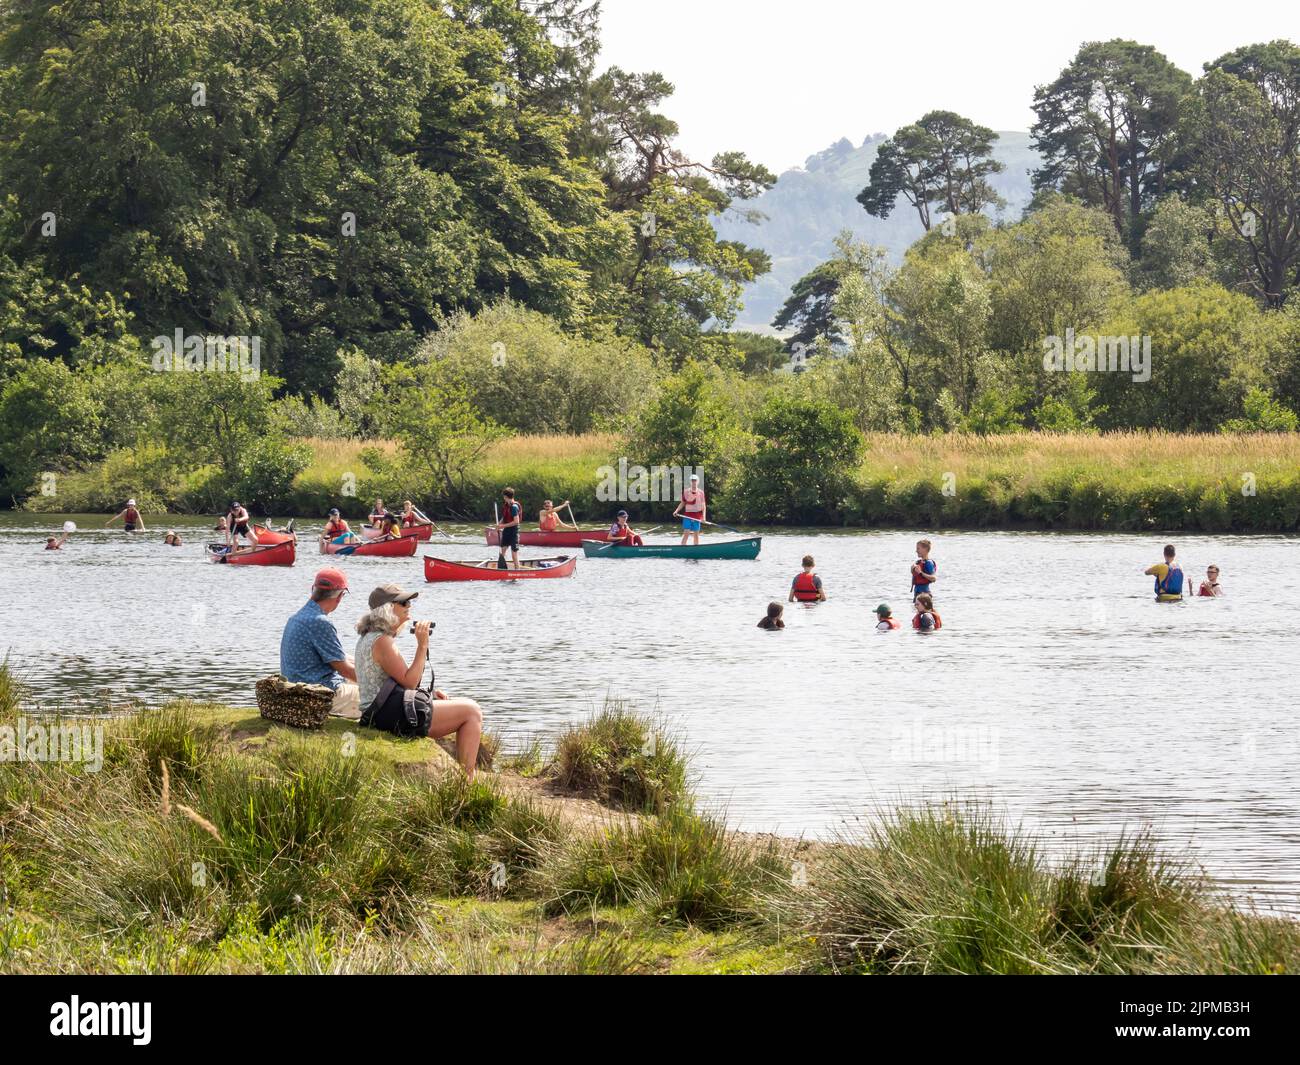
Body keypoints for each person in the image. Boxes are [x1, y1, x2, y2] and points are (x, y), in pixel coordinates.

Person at [354, 584, 484, 779]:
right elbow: (410, 683)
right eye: (404, 602)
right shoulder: (382, 641)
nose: (409, 606)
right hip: (386, 716)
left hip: (378, 713)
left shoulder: (371, 637)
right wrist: (422, 645)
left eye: (410, 601)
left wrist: (429, 695)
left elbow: (396, 683)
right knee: (472, 711)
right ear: (388, 608)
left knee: (450, 703)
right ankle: (466, 783)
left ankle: (464, 778)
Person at [279, 568, 360, 717]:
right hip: (316, 695)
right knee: (380, 696)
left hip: (296, 690)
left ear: (313, 589)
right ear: (340, 596)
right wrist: (378, 681)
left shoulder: (298, 617)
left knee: (358, 666)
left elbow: (339, 658)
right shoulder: (319, 622)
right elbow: (345, 670)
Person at [673, 473, 707, 546]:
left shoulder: (701, 492)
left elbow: (703, 506)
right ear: (690, 482)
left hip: (697, 516)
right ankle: (682, 548)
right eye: (692, 480)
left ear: (697, 481)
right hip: (687, 515)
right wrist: (676, 511)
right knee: (686, 533)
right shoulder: (686, 492)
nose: (694, 482)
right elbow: (682, 503)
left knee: (696, 535)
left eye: (695, 480)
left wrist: (704, 517)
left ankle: (696, 549)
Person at [496, 487, 522, 569]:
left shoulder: (514, 507)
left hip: (514, 531)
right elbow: (504, 517)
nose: (503, 498)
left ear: (505, 497)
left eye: (504, 497)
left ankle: (517, 570)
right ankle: (501, 568)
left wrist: (502, 526)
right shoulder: (506, 505)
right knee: (502, 550)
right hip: (507, 530)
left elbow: (516, 521)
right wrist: (499, 524)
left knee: (514, 553)